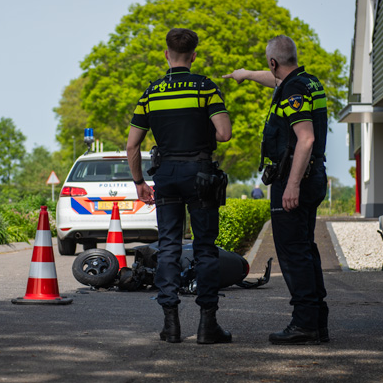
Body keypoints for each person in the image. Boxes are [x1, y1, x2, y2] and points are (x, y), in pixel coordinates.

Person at [127, 28, 233, 344]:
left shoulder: (151, 94)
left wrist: (139, 183)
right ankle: (206, 326)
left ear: (166, 54)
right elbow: (224, 133)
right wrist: (199, 130)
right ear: (194, 55)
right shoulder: (206, 89)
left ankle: (170, 325)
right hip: (199, 173)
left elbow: (132, 146)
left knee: (169, 246)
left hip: (166, 174)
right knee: (204, 247)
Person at [222, 35, 329, 345]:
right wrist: (245, 75)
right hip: (314, 175)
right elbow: (276, 80)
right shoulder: (307, 82)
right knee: (305, 250)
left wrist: (292, 185)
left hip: (296, 177)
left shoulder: (292, 89)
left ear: (273, 62)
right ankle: (316, 322)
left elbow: (305, 139)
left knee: (293, 254)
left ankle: (304, 324)